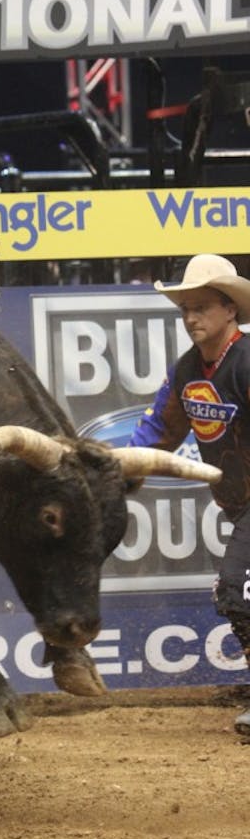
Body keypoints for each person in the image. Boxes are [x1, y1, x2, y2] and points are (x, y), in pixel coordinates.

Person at [128, 253, 250, 736]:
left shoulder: (246, 362)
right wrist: (115, 470)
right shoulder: (187, 372)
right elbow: (159, 430)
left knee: (236, 592)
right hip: (241, 505)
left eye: (202, 307)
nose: (192, 318)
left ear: (230, 310)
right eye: (186, 309)